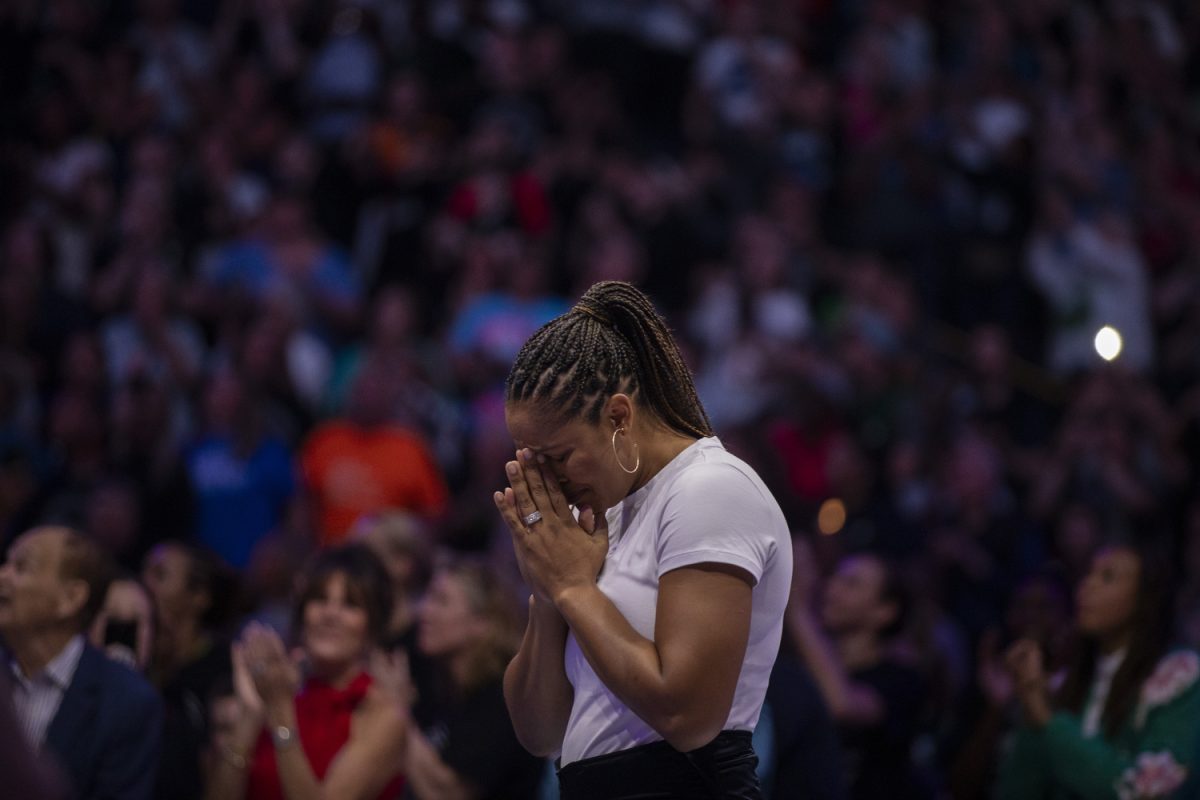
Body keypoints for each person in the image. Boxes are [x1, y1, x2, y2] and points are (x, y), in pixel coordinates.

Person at [494, 281, 792, 799]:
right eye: (533, 460)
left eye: (558, 457)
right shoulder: (602, 519)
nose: (549, 480)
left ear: (618, 416)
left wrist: (572, 590)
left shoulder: (709, 488)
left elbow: (688, 714)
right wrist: (547, 594)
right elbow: (539, 733)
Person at [997, 542, 1200, 799]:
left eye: (1107, 577)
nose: (1087, 585)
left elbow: (1147, 792)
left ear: (1146, 596)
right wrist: (1030, 704)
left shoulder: (1180, 674)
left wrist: (1048, 722)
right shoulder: (1066, 680)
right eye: (1088, 573)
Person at [203, 544, 407, 800]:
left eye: (350, 604)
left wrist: (280, 712)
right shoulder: (281, 688)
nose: (330, 614)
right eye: (319, 599)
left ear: (373, 624)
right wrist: (250, 714)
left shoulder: (382, 715)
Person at [0, 525, 162, 799]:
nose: (3, 575)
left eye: (22, 566)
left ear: (71, 598)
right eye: (6, 562)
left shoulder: (127, 702)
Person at [786, 544, 929, 800]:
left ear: (884, 612)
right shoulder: (802, 661)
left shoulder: (900, 678)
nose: (831, 588)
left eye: (851, 584)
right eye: (835, 577)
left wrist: (797, 609)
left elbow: (842, 705)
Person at [401, 557, 545, 799]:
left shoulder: (502, 699)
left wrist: (398, 712)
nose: (424, 610)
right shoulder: (443, 686)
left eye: (441, 600)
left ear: (483, 622)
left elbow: (448, 794)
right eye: (427, 597)